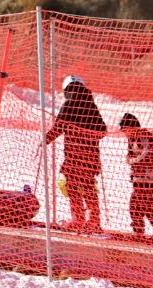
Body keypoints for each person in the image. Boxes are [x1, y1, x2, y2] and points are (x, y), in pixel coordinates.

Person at [44, 75, 108, 233]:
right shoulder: (91, 106)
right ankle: (94, 220)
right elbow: (102, 130)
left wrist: (46, 139)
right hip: (90, 157)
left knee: (72, 186)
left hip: (73, 156)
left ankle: (79, 219)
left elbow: (59, 127)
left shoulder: (68, 106)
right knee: (88, 187)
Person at [120, 113, 153, 238]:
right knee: (136, 206)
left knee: (146, 206)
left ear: (131, 127)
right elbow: (131, 156)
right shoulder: (131, 139)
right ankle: (140, 230)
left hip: (148, 178)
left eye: (125, 130)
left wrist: (136, 163)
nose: (124, 133)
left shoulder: (145, 138)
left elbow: (149, 156)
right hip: (139, 178)